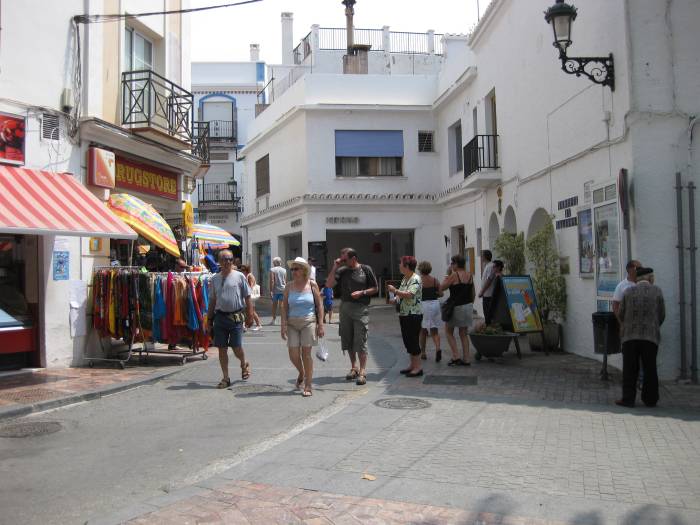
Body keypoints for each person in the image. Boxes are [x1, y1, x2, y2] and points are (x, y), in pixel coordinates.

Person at [325, 247, 378, 386]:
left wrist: (362, 292)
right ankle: (353, 367)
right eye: (341, 259)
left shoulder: (366, 269)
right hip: (345, 308)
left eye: (345, 259)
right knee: (347, 338)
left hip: (361, 308)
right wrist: (334, 267)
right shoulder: (342, 271)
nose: (342, 261)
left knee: (360, 340)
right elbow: (329, 284)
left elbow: (375, 288)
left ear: (353, 258)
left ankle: (362, 371)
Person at [616, 267, 665, 408]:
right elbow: (661, 314)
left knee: (630, 369)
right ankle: (650, 399)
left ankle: (628, 399)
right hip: (650, 337)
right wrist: (654, 326)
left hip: (630, 337)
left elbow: (621, 313)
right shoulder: (657, 291)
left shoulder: (628, 292)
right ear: (649, 278)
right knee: (650, 368)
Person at [206, 249, 254, 389]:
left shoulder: (239, 276)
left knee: (236, 346)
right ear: (219, 262)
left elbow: (248, 296)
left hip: (236, 317)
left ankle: (243, 363)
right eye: (225, 259)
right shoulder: (214, 279)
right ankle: (225, 377)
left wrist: (250, 315)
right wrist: (209, 320)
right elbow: (212, 301)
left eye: (230, 259)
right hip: (220, 317)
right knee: (221, 349)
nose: (228, 261)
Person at [281, 257, 324, 397]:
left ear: (304, 270)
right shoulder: (288, 286)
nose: (293, 271)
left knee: (306, 354)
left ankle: (308, 384)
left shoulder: (312, 285)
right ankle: (302, 372)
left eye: (296, 269)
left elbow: (319, 305)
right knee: (293, 354)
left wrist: (321, 325)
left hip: (308, 322)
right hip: (292, 323)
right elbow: (284, 306)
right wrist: (283, 325)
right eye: (292, 269)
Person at [387, 256, 423, 377]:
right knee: (408, 340)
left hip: (413, 314)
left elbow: (409, 294)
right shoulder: (405, 278)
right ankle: (412, 365)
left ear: (406, 266)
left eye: (401, 263)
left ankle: (418, 368)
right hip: (404, 314)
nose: (399, 265)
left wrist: (395, 291)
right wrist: (395, 299)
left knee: (413, 340)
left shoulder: (415, 278)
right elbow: (401, 296)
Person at [440, 254, 474, 366]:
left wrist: (447, 274)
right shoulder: (469, 275)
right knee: (463, 333)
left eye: (452, 263)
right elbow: (472, 292)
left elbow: (442, 287)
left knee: (449, 331)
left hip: (456, 307)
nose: (451, 265)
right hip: (467, 306)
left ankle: (456, 356)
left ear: (456, 264)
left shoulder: (454, 275)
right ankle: (467, 358)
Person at [417, 260, 443, 362]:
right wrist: (434, 293)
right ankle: (438, 348)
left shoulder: (418, 281)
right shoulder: (435, 280)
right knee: (434, 330)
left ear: (420, 269)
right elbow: (441, 294)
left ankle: (423, 352)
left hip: (423, 305)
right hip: (435, 304)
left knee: (423, 330)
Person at [240, 265, 262, 331]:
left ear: (246, 270)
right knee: (249, 311)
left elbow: (251, 286)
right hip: (249, 296)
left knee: (251, 311)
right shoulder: (247, 275)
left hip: (250, 296)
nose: (242, 271)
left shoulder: (249, 276)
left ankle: (258, 324)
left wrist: (247, 293)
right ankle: (247, 325)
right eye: (241, 270)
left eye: (243, 270)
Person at [478, 250, 496, 325]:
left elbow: (489, 280)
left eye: (482, 256)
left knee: (488, 314)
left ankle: (489, 329)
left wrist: (482, 291)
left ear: (485, 257)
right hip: (487, 294)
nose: (481, 257)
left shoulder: (490, 266)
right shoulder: (488, 265)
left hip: (488, 294)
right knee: (487, 314)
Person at [269, 257, 287, 325]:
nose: (273, 263)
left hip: (276, 290)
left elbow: (272, 281)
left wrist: (271, 290)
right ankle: (283, 320)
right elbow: (285, 280)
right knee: (282, 306)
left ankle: (274, 320)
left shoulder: (272, 270)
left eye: (273, 262)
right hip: (283, 289)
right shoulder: (284, 270)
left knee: (274, 305)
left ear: (275, 263)